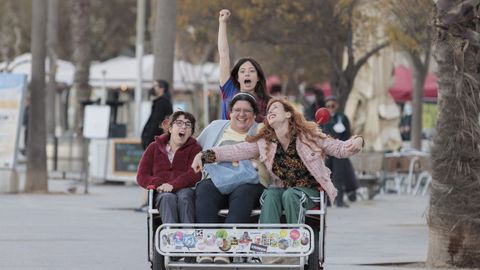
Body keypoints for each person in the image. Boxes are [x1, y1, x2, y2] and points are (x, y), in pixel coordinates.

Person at [192, 98, 363, 225]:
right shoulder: (265, 142)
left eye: (275, 108)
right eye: (268, 110)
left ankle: (294, 244)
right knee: (270, 194)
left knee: (290, 195)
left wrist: (357, 141)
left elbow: (339, 148)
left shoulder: (308, 136)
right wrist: (205, 155)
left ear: (288, 114)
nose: (270, 111)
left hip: (310, 190)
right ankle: (269, 248)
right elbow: (236, 150)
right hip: (283, 189)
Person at [194, 93, 267, 264]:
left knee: (243, 193)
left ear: (254, 114)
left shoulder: (260, 130)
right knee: (204, 189)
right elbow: (194, 147)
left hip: (249, 180)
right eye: (237, 110)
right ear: (230, 112)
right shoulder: (216, 127)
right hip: (216, 177)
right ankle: (207, 247)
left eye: (247, 111)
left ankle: (225, 250)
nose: (241, 114)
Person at [136, 111, 202, 224]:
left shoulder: (195, 149)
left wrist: (172, 185)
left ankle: (188, 236)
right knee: (167, 197)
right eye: (179, 123)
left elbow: (194, 174)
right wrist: (159, 184)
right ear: (170, 128)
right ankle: (170, 236)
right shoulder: (154, 147)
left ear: (191, 132)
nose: (183, 127)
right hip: (162, 191)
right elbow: (142, 176)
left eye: (188, 125)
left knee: (185, 197)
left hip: (185, 189)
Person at [217, 9, 270, 123]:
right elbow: (223, 55)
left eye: (251, 71)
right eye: (242, 71)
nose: (247, 73)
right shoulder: (229, 90)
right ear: (237, 78)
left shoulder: (267, 102)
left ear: (258, 77)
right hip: (228, 139)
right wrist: (222, 23)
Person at [321, 96, 359, 207]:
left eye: (332, 106)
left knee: (339, 176)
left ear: (336, 106)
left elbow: (347, 133)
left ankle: (339, 200)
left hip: (340, 151)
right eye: (328, 106)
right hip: (327, 152)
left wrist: (344, 146)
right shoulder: (323, 119)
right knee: (326, 176)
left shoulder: (342, 118)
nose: (330, 108)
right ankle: (326, 201)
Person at [141, 79, 173, 150]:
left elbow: (155, 123)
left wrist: (149, 141)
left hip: (156, 141)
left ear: (162, 89)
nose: (153, 88)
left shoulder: (162, 102)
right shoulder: (162, 102)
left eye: (155, 86)